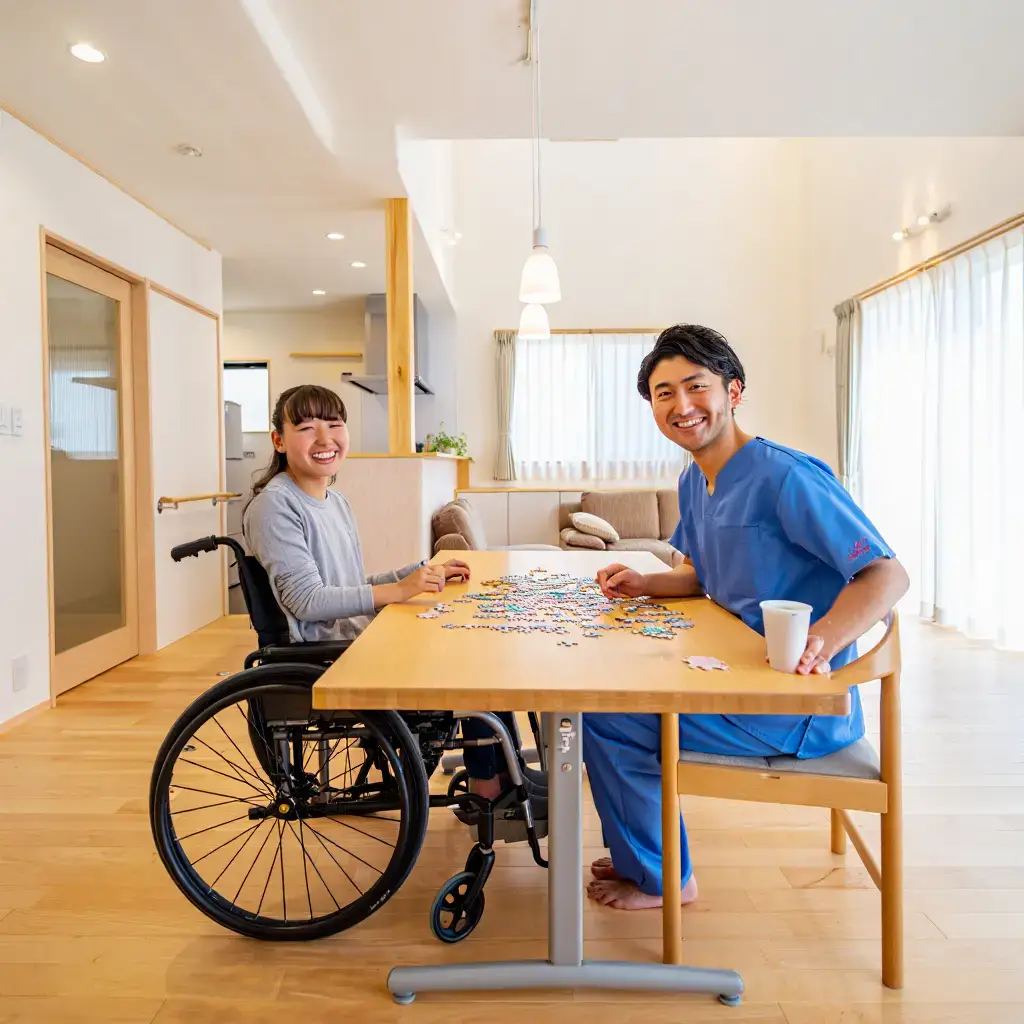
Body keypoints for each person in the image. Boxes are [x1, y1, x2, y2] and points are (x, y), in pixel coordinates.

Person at [583, 325, 909, 911]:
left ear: (733, 391)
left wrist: (821, 642)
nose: (681, 406)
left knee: (606, 715)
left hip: (795, 704)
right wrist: (649, 583)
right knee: (610, 695)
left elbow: (888, 575)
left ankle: (665, 878)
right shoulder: (692, 479)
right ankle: (644, 851)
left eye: (695, 386)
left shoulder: (786, 475)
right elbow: (705, 577)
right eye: (663, 394)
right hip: (736, 676)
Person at [243, 384, 544, 805]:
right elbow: (307, 601)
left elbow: (347, 581)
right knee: (472, 652)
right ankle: (491, 786)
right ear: (278, 440)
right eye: (307, 428)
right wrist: (399, 590)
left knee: (477, 638)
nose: (326, 439)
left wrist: (417, 571)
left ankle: (502, 774)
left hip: (357, 637)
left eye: (335, 425)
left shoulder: (334, 500)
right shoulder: (275, 506)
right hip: (328, 653)